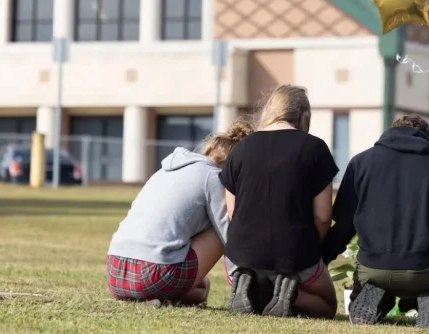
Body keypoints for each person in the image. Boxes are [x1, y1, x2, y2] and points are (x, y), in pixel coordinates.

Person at [322, 114, 429, 328]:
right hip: (425, 269)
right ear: (428, 138)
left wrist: (320, 262)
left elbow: (344, 228)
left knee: (375, 287)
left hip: (373, 268)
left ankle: (371, 303)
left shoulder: (360, 162)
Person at [220, 85, 338, 319]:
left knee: (261, 288)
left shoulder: (241, 148)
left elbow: (232, 212)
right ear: (304, 114)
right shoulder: (315, 148)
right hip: (294, 254)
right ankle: (288, 293)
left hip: (240, 256)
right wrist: (308, 250)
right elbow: (324, 217)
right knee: (326, 305)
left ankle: (252, 284)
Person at [106, 120, 253, 306]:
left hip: (115, 273)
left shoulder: (163, 171)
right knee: (225, 228)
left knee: (201, 290)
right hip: (154, 273)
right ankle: (157, 295)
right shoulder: (214, 178)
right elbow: (231, 238)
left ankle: (152, 298)